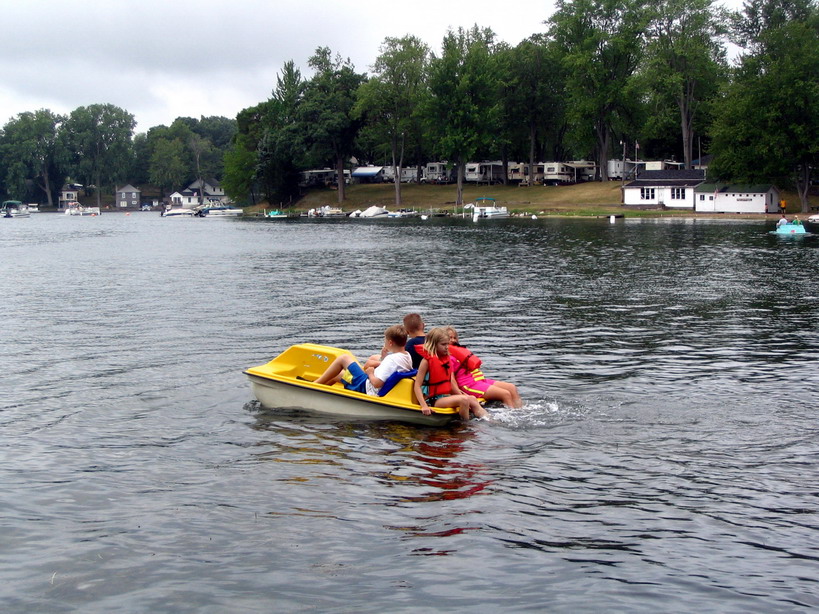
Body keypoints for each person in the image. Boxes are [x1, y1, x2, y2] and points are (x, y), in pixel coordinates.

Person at [313, 325, 412, 396]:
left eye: (385, 340)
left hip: (366, 387)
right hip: (369, 385)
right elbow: (390, 369)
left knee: (344, 358)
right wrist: (383, 358)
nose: (384, 342)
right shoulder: (407, 356)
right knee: (339, 375)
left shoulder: (391, 359)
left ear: (390, 343)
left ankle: (313, 385)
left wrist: (370, 373)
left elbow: (377, 384)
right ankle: (318, 393)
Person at [413, 327, 488, 420]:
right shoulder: (426, 361)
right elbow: (417, 385)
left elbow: (450, 383)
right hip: (433, 400)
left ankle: (489, 420)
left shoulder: (446, 359)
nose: (447, 347)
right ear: (433, 344)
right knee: (464, 400)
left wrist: (461, 394)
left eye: (447, 344)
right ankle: (465, 425)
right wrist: (424, 406)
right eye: (443, 344)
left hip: (445, 396)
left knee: (471, 398)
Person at [445, 326, 523, 408]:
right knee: (505, 394)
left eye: (455, 338)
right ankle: (512, 416)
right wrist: (459, 394)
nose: (453, 340)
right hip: (468, 386)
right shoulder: (447, 358)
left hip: (479, 381)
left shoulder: (459, 352)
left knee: (512, 388)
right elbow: (451, 379)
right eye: (450, 338)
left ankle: (520, 411)